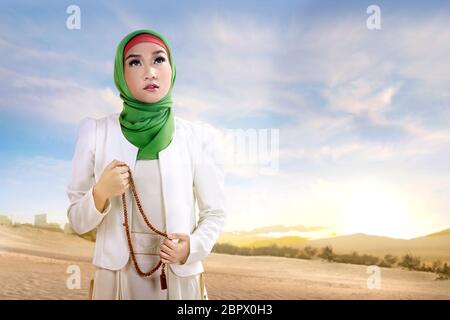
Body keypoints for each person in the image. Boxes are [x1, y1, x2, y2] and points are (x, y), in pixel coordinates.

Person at [66, 29, 226, 300]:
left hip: (178, 281)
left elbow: (215, 213)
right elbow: (77, 221)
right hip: (115, 283)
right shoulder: (95, 132)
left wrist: (191, 249)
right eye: (135, 62)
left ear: (172, 68)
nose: (150, 71)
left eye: (159, 60)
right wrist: (100, 193)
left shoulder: (199, 137)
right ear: (121, 73)